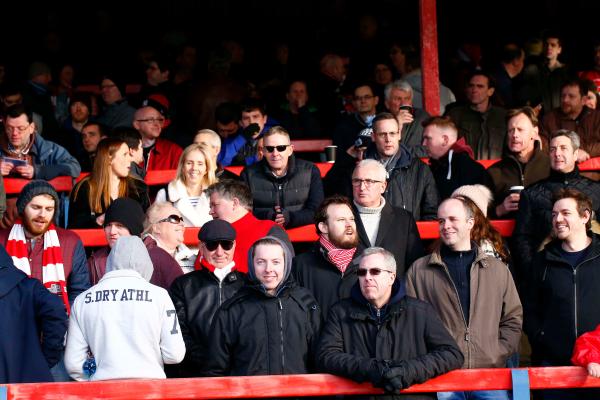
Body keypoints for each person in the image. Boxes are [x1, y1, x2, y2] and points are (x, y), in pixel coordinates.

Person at [406, 197, 522, 400]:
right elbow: (409, 322)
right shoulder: (420, 270)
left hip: (489, 376)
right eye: (441, 221)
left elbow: (512, 317)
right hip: (442, 376)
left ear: (470, 223)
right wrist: (431, 357)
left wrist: (497, 352)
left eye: (453, 219)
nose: (446, 226)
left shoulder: (497, 269)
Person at [317, 247, 464, 399]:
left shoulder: (420, 311)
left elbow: (451, 354)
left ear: (392, 277)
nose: (367, 277)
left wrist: (408, 371)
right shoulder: (340, 312)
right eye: (362, 272)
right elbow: (326, 356)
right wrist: (370, 369)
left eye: (375, 271)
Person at [64, 236, 186, 381]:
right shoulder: (159, 296)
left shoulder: (83, 300)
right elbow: (174, 354)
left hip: (103, 392)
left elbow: (74, 364)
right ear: (146, 263)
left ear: (110, 261)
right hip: (150, 388)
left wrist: (95, 376)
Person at [204, 236, 321, 376]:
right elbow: (215, 370)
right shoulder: (231, 310)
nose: (268, 269)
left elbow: (320, 360)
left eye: (276, 262)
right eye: (261, 262)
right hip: (250, 395)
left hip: (299, 395)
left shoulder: (306, 303)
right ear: (252, 264)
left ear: (286, 264)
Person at [524, 189, 600, 399]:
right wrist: (541, 337)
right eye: (554, 214)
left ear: (585, 216)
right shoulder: (542, 261)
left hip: (597, 367)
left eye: (565, 213)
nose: (558, 219)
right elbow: (529, 308)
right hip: (553, 366)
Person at [513, 130, 600, 283]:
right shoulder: (531, 193)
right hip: (547, 272)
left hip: (590, 269)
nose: (557, 153)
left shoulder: (596, 190)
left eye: (563, 148)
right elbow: (522, 237)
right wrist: (533, 270)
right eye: (552, 149)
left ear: (575, 154)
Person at [169, 219, 245, 376]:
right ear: (201, 248)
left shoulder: (249, 284)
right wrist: (210, 360)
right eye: (212, 245)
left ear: (234, 245)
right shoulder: (183, 285)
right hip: (195, 373)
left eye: (226, 244)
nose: (219, 252)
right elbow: (180, 333)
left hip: (240, 371)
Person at [0, 244, 67, 384]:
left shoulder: (29, 287)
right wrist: (46, 358)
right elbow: (56, 308)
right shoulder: (29, 287)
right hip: (30, 382)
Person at [87, 198, 183, 287]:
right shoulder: (95, 261)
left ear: (134, 229)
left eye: (119, 225)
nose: (112, 231)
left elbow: (180, 296)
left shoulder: (159, 257)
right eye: (108, 225)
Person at [241, 126, 324, 228]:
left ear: (290, 150)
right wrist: (268, 216)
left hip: (305, 241)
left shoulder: (310, 171)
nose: (275, 154)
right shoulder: (248, 174)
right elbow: (243, 212)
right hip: (263, 239)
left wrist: (290, 217)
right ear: (263, 151)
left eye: (281, 148)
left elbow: (317, 211)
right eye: (270, 149)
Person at [351, 160, 424, 274]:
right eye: (357, 181)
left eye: (369, 181)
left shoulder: (404, 219)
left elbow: (415, 263)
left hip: (395, 288)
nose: (362, 187)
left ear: (383, 186)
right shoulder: (341, 216)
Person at [292, 195, 359, 319]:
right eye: (341, 220)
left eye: (352, 219)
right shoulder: (299, 265)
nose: (349, 224)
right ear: (323, 227)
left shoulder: (368, 261)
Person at [206, 179, 291, 273]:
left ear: (234, 203)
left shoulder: (269, 229)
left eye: (215, 205)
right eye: (210, 207)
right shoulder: (212, 234)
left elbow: (286, 271)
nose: (211, 212)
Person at [69, 137, 150, 229]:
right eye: (125, 154)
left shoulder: (138, 187)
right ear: (109, 158)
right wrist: (98, 221)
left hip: (130, 242)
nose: (131, 159)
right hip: (95, 241)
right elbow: (74, 226)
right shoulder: (85, 188)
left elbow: (147, 223)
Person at [487, 107, 550, 218]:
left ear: (534, 133)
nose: (514, 135)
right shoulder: (493, 172)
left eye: (520, 130)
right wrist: (500, 209)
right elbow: (478, 213)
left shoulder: (551, 167)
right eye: (511, 130)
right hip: (505, 235)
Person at [0, 104, 81, 180]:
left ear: (32, 128)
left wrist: (38, 171)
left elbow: (75, 167)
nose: (14, 133)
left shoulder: (49, 149)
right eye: (9, 128)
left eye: (20, 128)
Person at [422, 116, 492, 200]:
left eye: (428, 138)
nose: (423, 144)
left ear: (445, 140)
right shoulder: (433, 167)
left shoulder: (470, 169)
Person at [446, 71, 508, 160]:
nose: (474, 90)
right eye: (471, 86)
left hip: (495, 171)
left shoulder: (502, 116)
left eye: (480, 86)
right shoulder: (455, 115)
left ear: (490, 91)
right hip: (465, 170)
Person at [540, 79, 600, 166]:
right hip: (559, 173)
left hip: (592, 174)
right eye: (563, 96)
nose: (565, 100)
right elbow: (543, 145)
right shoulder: (549, 119)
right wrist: (573, 152)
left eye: (571, 96)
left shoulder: (597, 117)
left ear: (583, 100)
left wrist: (583, 152)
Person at [155, 144, 216, 227]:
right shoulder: (165, 195)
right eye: (189, 163)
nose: (194, 168)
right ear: (182, 167)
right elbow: (156, 227)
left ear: (206, 169)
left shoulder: (217, 194)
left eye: (200, 164)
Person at [143, 202, 196, 274]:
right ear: (156, 228)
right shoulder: (143, 256)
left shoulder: (193, 258)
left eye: (181, 219)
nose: (182, 224)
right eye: (174, 219)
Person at [383, 79, 429, 157]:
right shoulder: (381, 121)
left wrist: (400, 152)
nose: (403, 103)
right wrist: (397, 125)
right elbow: (383, 151)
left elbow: (428, 150)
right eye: (398, 99)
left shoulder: (421, 117)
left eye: (407, 99)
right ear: (387, 104)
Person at [133, 105, 183, 172]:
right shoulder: (125, 149)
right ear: (137, 124)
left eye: (159, 120)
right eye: (150, 120)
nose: (157, 124)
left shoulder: (174, 151)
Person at [332, 83, 379, 152]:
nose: (363, 101)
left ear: (376, 100)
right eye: (358, 98)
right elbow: (339, 158)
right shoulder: (343, 127)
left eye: (367, 97)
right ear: (353, 103)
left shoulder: (386, 122)